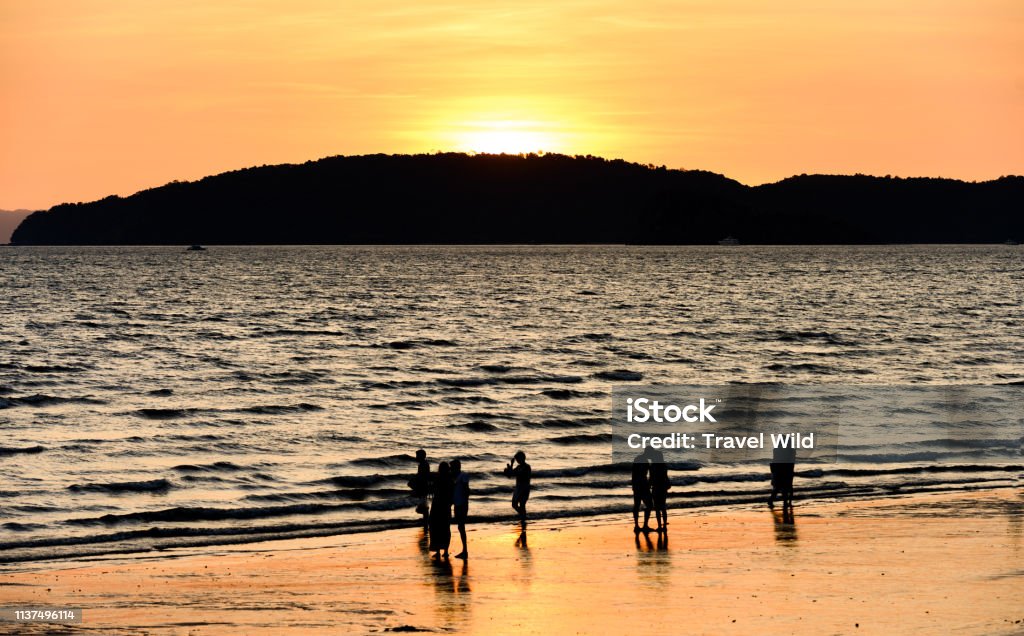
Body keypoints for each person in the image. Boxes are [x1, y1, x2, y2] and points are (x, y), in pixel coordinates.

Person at [428, 461, 453, 559]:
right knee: (445, 528)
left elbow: (432, 490)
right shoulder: (450, 480)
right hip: (446, 505)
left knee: (435, 527)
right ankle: (445, 551)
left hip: (437, 505)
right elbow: (451, 493)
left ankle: (437, 550)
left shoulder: (437, 479)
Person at [503, 450, 531, 525]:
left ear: (522, 458)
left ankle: (523, 518)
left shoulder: (527, 467)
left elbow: (517, 473)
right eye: (517, 460)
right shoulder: (519, 467)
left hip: (524, 488)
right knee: (514, 504)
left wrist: (510, 468)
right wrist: (510, 468)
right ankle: (523, 516)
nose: (517, 461)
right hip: (518, 489)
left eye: (518, 459)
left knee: (522, 505)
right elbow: (510, 475)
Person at [769, 440, 796, 509]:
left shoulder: (777, 450)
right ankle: (786, 502)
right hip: (786, 469)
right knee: (786, 486)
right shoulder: (790, 450)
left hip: (778, 469)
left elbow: (775, 460)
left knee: (778, 487)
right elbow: (792, 461)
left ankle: (773, 500)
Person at [451, 459, 470, 559]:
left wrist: (464, 503)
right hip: (458, 504)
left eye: (452, 468)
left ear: (456, 467)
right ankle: (464, 550)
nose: (451, 470)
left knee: (461, 527)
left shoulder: (463, 476)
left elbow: (467, 490)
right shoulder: (456, 477)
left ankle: (465, 551)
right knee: (460, 527)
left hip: (461, 505)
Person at [631, 449, 654, 533]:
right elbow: (636, 473)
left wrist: (633, 485)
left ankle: (637, 525)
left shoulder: (638, 459)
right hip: (643, 485)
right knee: (649, 505)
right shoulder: (644, 461)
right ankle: (644, 525)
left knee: (637, 505)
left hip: (638, 485)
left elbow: (633, 473)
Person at [649, 449, 670, 532]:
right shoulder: (664, 465)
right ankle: (664, 526)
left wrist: (648, 486)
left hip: (656, 488)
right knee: (663, 507)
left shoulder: (652, 466)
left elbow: (651, 478)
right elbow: (665, 476)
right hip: (663, 487)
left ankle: (659, 526)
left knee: (657, 508)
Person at [409, 449, 431, 525]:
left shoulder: (423, 464)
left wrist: (415, 481)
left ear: (421, 456)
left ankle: (426, 521)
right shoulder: (423, 464)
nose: (416, 457)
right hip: (423, 486)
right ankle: (426, 520)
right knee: (423, 502)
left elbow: (422, 476)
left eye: (417, 456)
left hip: (423, 486)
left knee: (423, 503)